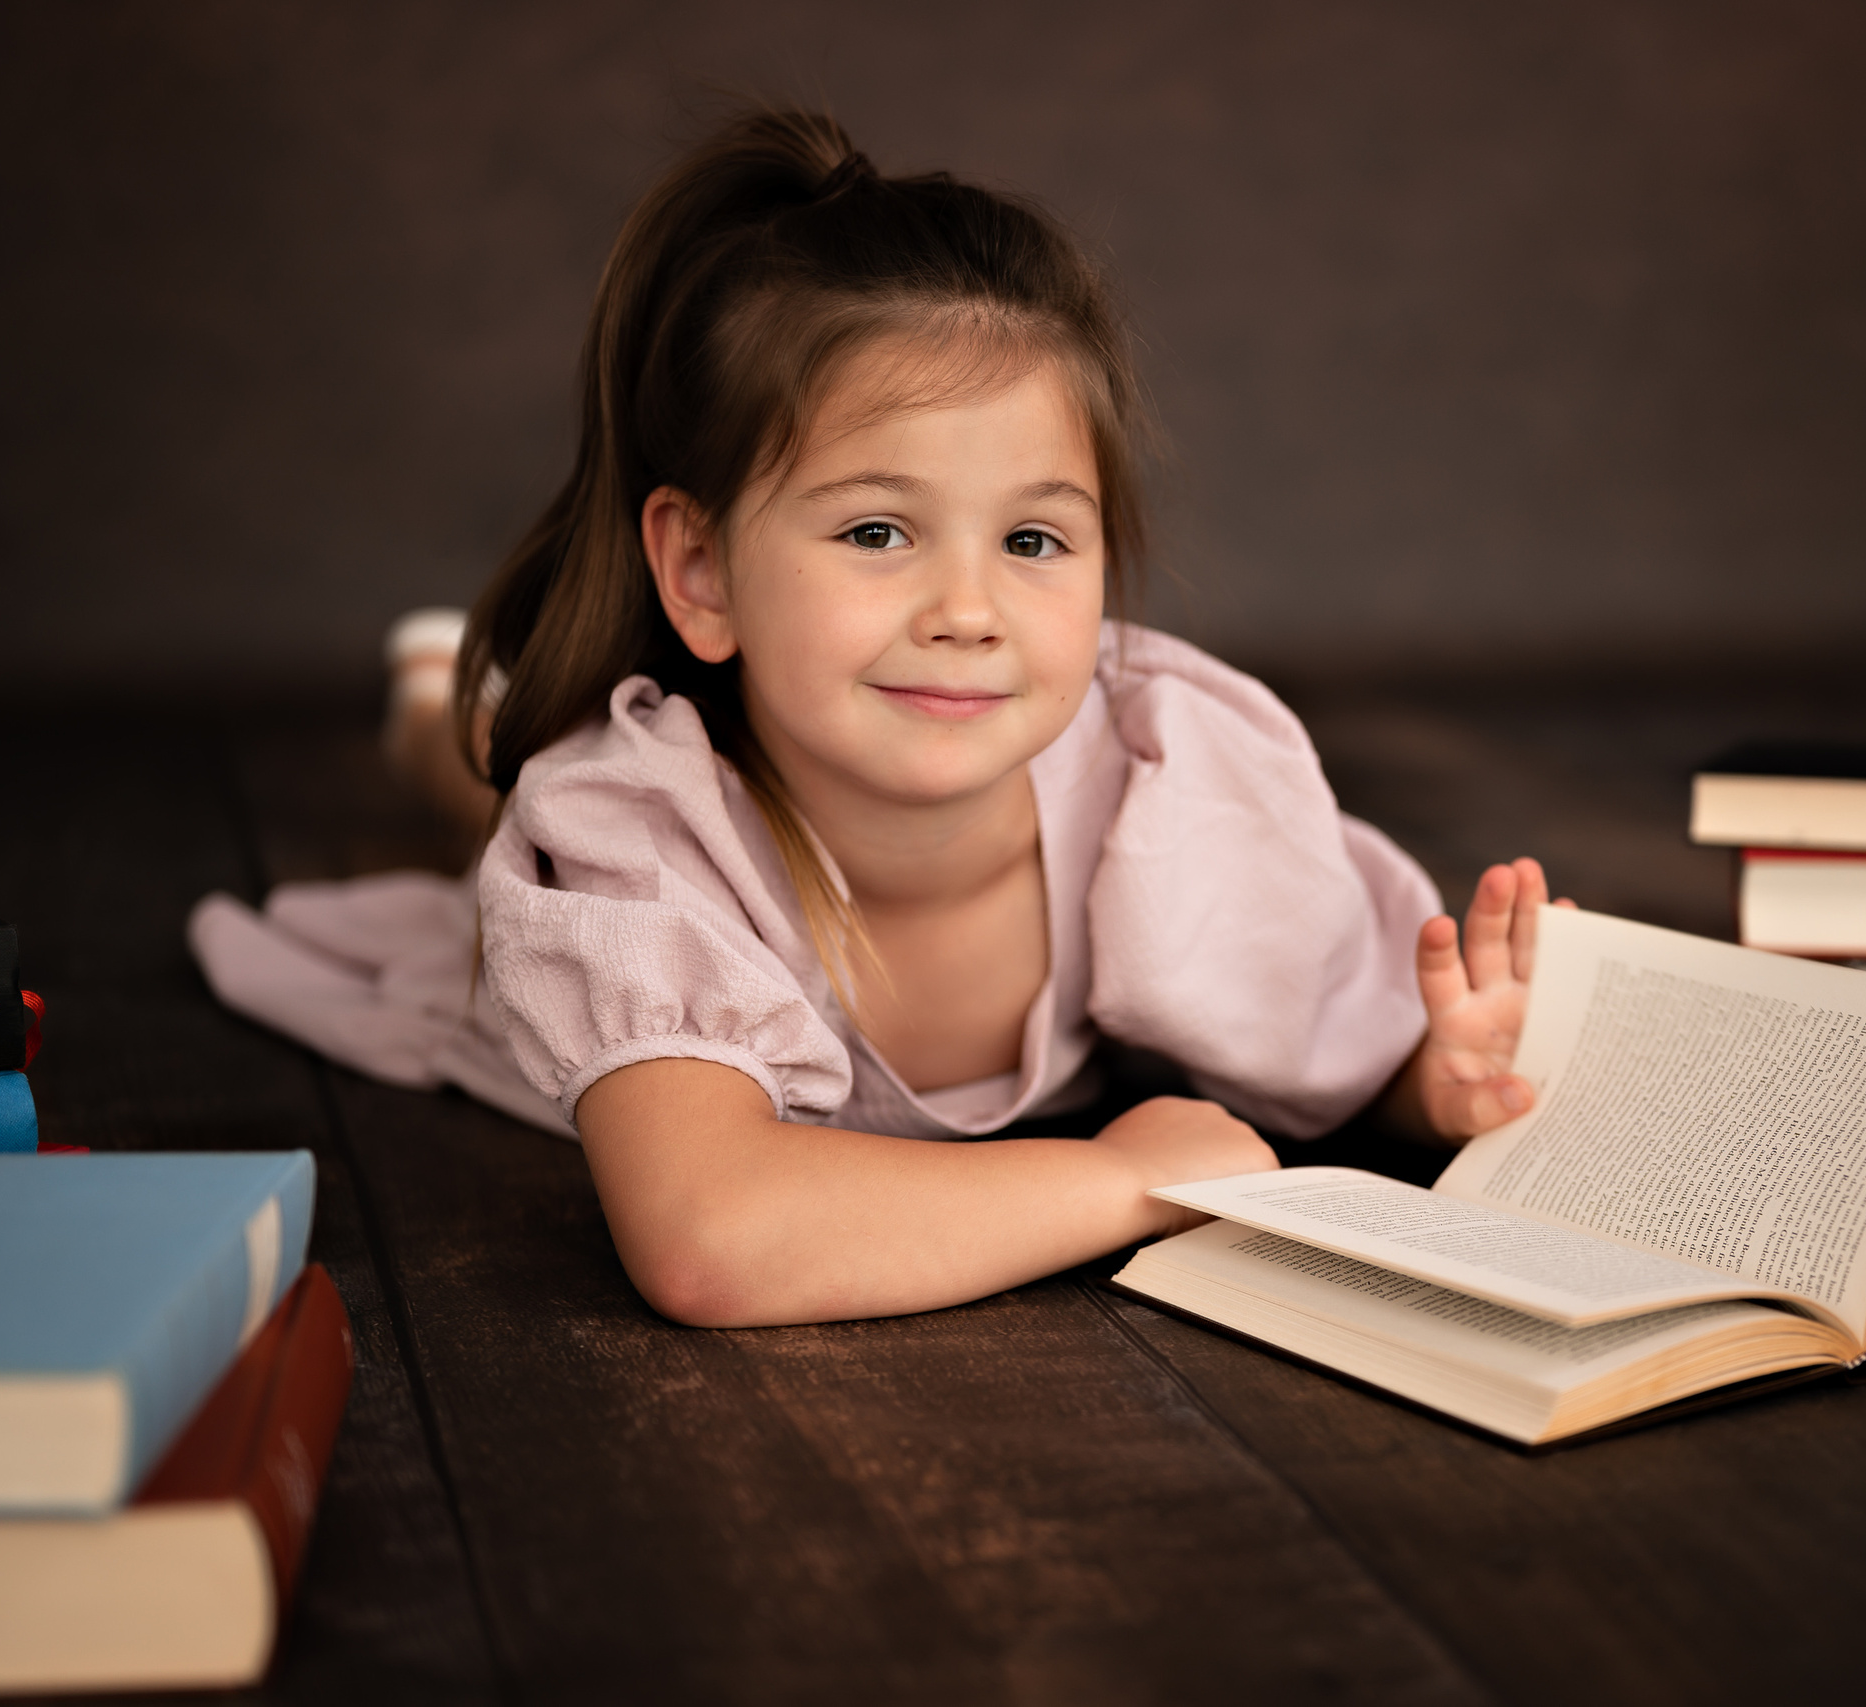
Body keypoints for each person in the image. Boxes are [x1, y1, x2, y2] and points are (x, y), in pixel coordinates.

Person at [192, 108, 1567, 1329]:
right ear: (701, 573)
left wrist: (1420, 1088)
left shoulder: (1166, 778)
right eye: (877, 530)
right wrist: (1121, 1176)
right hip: (637, 825)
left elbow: (1321, 1034)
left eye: (1034, 542)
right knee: (501, 789)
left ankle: (456, 698)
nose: (968, 609)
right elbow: (714, 1238)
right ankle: (449, 711)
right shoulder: (637, 837)